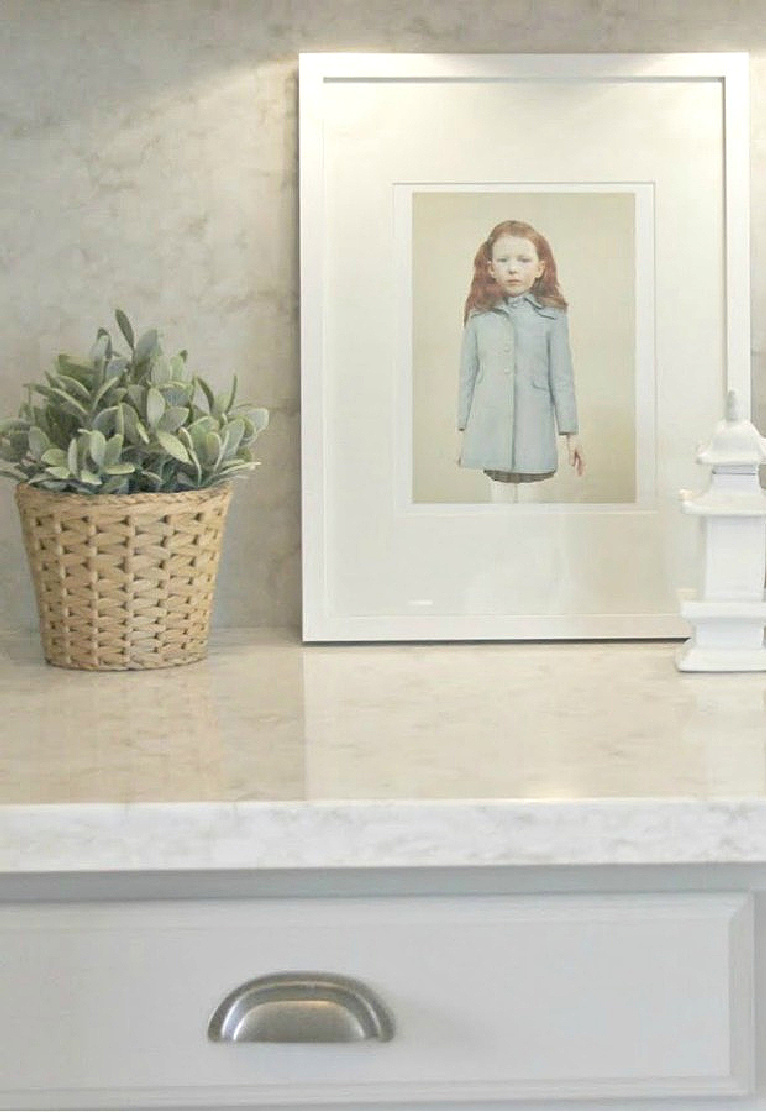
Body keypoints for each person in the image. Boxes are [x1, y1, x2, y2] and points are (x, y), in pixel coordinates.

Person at [457, 220, 585, 489]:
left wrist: (571, 433)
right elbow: (467, 374)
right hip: (489, 426)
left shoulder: (552, 316)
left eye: (524, 260)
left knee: (531, 497)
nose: (513, 268)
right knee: (497, 495)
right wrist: (463, 427)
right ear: (491, 268)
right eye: (503, 260)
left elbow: (562, 377)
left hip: (533, 426)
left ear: (540, 268)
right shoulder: (479, 315)